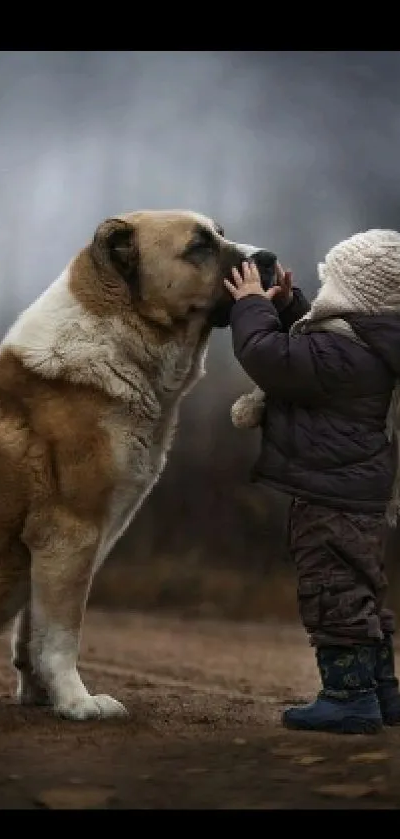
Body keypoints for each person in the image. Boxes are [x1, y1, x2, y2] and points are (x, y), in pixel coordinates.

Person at [224, 230, 400, 734]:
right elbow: (308, 346)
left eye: (333, 281)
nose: (326, 291)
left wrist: (251, 306)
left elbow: (268, 357)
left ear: (355, 292)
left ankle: (348, 698)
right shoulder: (368, 344)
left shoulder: (344, 355)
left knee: (332, 590)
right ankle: (381, 691)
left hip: (329, 495)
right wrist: (287, 305)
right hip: (356, 491)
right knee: (360, 588)